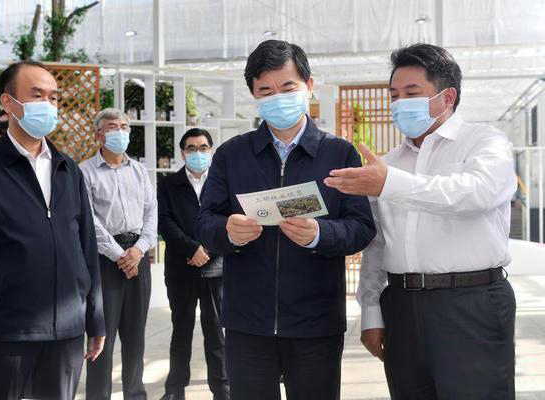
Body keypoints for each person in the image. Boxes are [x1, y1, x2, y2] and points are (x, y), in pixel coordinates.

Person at [324, 43, 517, 399]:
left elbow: (476, 193)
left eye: (412, 93)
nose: (400, 103)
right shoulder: (389, 164)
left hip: (471, 301)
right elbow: (378, 243)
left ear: (448, 97)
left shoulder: (484, 142)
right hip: (402, 305)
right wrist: (371, 311)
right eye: (394, 95)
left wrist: (391, 184)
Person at [195, 40, 376, 400]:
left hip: (316, 322)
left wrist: (320, 234)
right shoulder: (232, 155)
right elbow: (204, 222)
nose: (277, 98)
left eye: (287, 87)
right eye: (266, 91)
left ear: (309, 86)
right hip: (248, 323)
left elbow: (361, 228)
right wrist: (228, 232)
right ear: (254, 94)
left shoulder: (338, 154)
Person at [0, 61, 106, 400]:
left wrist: (95, 318)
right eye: (36, 95)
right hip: (4, 333)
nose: (48, 104)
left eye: (53, 97)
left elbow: (86, 248)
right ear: (8, 103)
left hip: (66, 332)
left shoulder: (69, 170)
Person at [81, 108, 157, 400]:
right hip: (104, 260)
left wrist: (138, 251)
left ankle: (135, 394)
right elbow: (88, 220)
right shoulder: (85, 171)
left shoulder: (139, 171)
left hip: (138, 256)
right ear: (99, 135)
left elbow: (151, 213)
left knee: (136, 336)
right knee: (103, 336)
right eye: (113, 127)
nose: (121, 132)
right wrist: (119, 255)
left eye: (125, 126)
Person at [158, 128, 229, 400]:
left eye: (202, 147)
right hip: (181, 269)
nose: (197, 153)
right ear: (182, 153)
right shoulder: (169, 184)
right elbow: (165, 223)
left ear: (211, 150)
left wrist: (207, 250)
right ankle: (175, 390)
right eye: (191, 148)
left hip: (216, 268)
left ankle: (223, 390)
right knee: (181, 331)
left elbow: (228, 221)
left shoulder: (223, 183)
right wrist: (192, 248)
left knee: (216, 332)